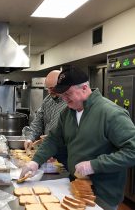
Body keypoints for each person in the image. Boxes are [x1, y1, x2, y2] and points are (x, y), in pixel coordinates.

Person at [20, 66, 135, 210]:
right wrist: (35, 161)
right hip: (75, 186)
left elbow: (132, 151)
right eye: (62, 94)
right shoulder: (68, 113)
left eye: (68, 93)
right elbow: (53, 139)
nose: (64, 98)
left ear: (85, 88)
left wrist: (94, 165)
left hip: (103, 194)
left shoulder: (111, 114)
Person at [24, 70, 67, 168]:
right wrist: (30, 138)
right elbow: (38, 121)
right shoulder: (47, 100)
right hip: (48, 150)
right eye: (47, 88)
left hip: (64, 152)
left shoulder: (69, 103)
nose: (49, 91)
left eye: (52, 88)